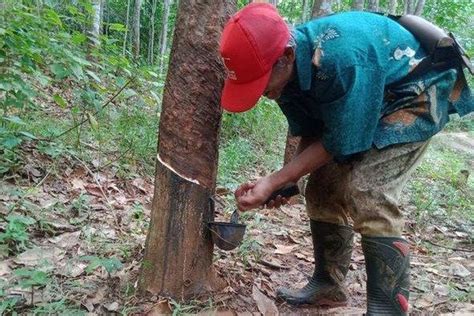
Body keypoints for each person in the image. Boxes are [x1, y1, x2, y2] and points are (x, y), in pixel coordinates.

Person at [219, 3, 473, 315]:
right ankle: (328, 284)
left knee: (369, 191)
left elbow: (341, 140)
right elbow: (313, 132)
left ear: (286, 56)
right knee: (322, 188)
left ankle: (388, 310)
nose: (261, 93)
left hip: (416, 90)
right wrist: (287, 181)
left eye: (260, 82)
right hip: (369, 97)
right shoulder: (286, 76)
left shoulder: (341, 60)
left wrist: (275, 179)